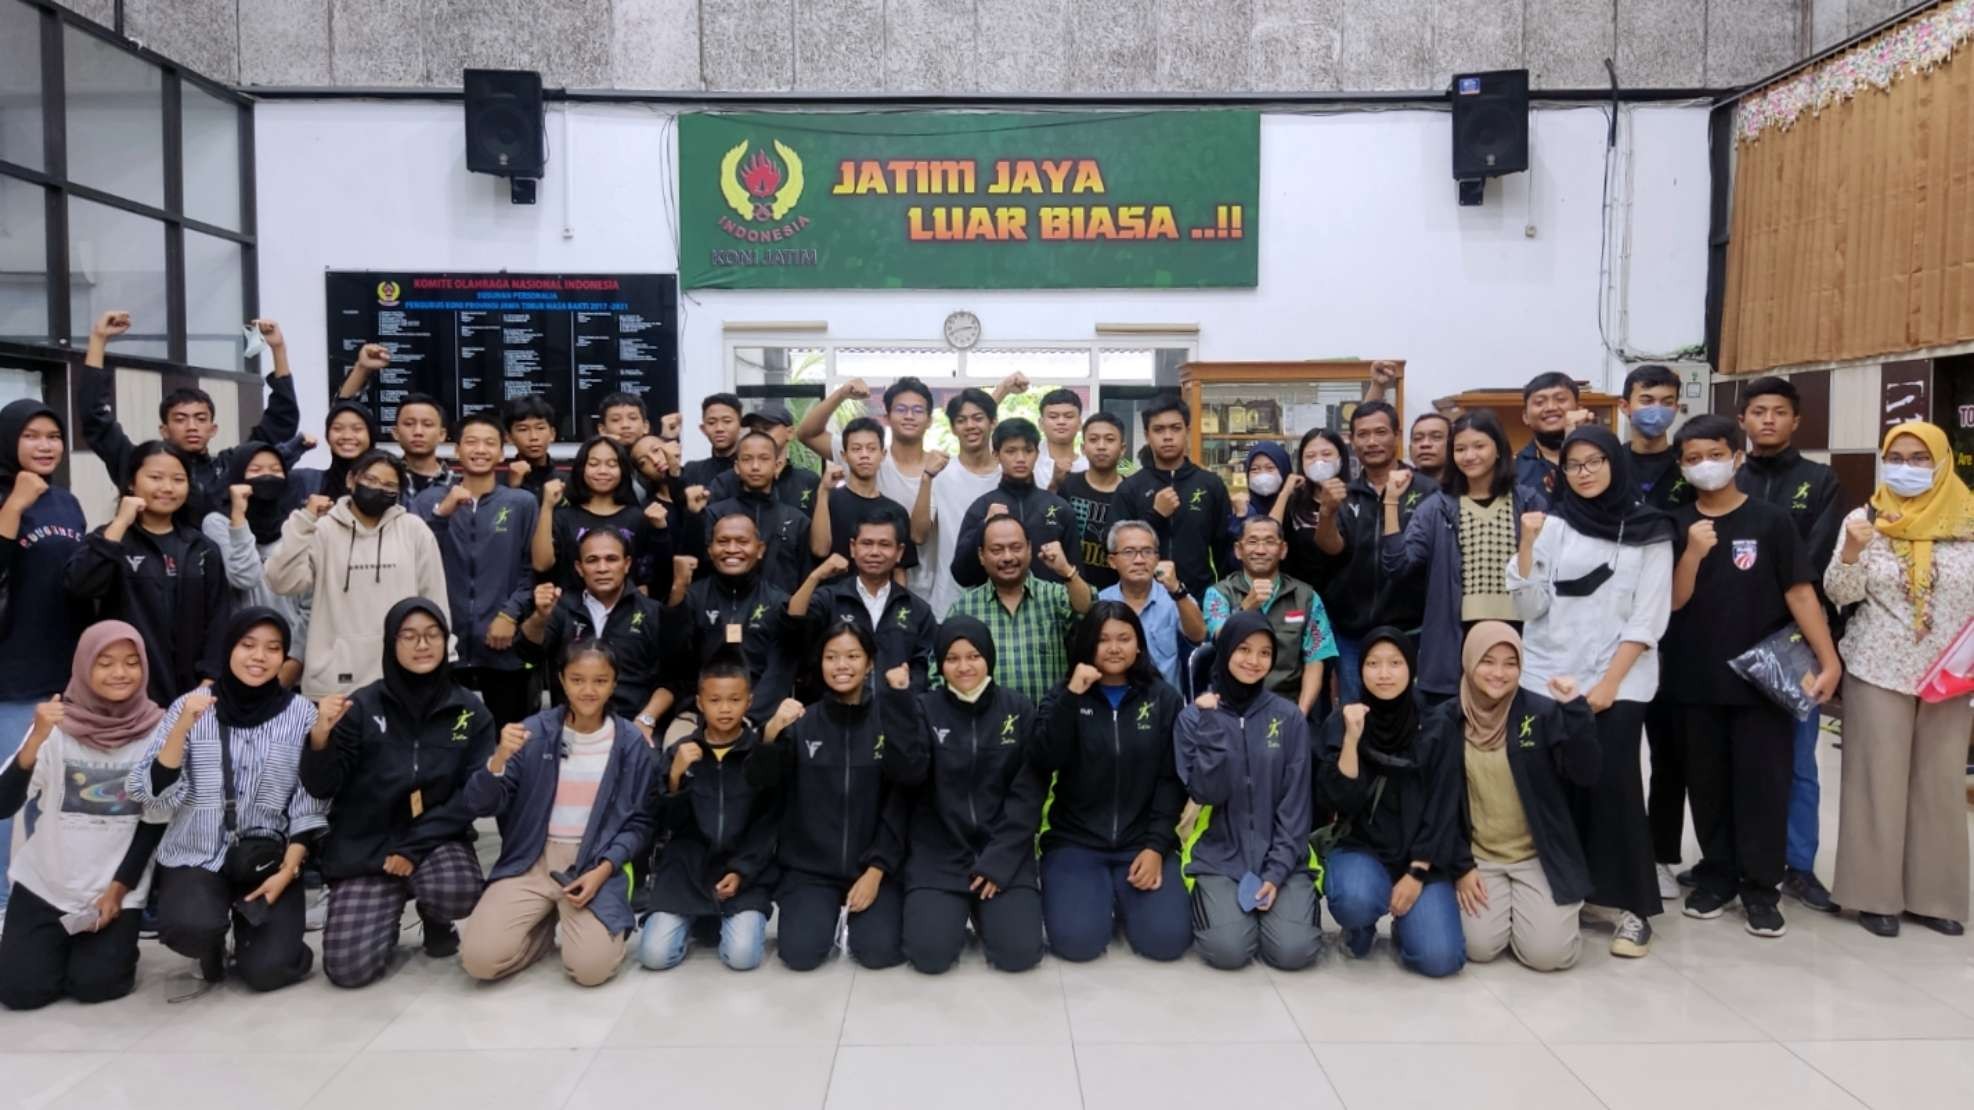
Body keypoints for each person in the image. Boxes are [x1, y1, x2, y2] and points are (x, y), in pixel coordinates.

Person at [1664, 414, 1841, 939]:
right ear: (1681, 465)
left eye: (1714, 455)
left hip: (1765, 683)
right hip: (1695, 679)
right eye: (1693, 459)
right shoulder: (1675, 525)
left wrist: (1828, 659)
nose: (1705, 466)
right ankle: (1716, 877)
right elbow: (1672, 602)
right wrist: (1694, 553)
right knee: (1709, 785)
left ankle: (1762, 889)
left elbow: (1801, 593)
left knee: (1764, 787)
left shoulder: (1771, 521)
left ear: (1737, 457)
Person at [1507, 425, 1673, 957]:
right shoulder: (1553, 526)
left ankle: (1633, 907)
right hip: (1547, 678)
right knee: (1555, 788)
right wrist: (1528, 542)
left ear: (1614, 464)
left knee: (1615, 787)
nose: (1584, 472)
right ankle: (1575, 890)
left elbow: (1648, 620)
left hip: (1618, 684)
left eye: (1595, 461)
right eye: (1575, 464)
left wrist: (1606, 686)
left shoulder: (1651, 530)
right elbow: (1528, 608)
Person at [1825, 421, 1974, 938]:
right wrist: (1849, 551)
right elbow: (1840, 593)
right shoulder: (1865, 518)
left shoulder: (1970, 520)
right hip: (1878, 667)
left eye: (1918, 458)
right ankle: (1874, 895)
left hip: (1952, 674)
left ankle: (1935, 897)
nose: (1906, 468)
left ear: (1941, 462)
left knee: (1939, 784)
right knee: (1876, 783)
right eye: (1897, 457)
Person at [300, 598, 495, 987]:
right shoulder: (361, 706)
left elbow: (472, 797)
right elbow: (322, 786)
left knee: (457, 890)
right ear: (391, 644)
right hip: (367, 845)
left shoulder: (470, 712)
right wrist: (320, 737)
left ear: (445, 641)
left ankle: (433, 915)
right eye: (408, 636)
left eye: (431, 635)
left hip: (436, 839)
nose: (421, 645)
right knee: (347, 970)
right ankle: (383, 913)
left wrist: (412, 848)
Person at [127, 609, 324, 991]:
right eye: (247, 645)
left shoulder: (300, 713)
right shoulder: (192, 705)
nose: (259, 657)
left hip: (266, 857)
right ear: (228, 649)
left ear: (285, 657)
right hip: (197, 851)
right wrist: (182, 728)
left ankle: (262, 940)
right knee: (190, 926)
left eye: (272, 648)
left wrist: (288, 871)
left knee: (270, 971)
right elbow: (147, 794)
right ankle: (213, 940)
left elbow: (310, 799)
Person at [459, 639, 657, 987]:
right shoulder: (533, 732)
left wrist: (604, 869)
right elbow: (480, 804)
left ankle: (600, 932)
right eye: (577, 679)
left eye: (600, 680)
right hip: (531, 859)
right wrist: (499, 759)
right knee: (479, 961)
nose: (588, 690)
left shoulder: (630, 743)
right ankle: (539, 930)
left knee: (590, 970)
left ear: (614, 683)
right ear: (562, 681)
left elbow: (640, 822)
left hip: (593, 862)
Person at [0, 623, 166, 1008]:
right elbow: (3, 804)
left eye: (130, 662)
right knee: (22, 992)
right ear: (83, 667)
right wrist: (36, 739)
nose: (120, 673)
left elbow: (154, 822)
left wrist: (118, 889)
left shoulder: (158, 732)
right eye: (105, 663)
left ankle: (104, 949)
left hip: (112, 892)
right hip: (46, 884)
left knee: (96, 986)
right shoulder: (55, 727)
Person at [1736, 376, 1844, 915]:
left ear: (1796, 420)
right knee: (1737, 756)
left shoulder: (1820, 481)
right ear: (1743, 421)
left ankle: (1799, 865)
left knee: (1800, 760)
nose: (1769, 420)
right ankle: (1737, 857)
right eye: (1759, 411)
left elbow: (1816, 560)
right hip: (1731, 636)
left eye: (1779, 411)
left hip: (1795, 638)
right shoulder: (1730, 476)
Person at [887, 615, 1046, 974]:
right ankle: (958, 904)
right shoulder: (924, 708)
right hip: (940, 854)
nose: (964, 667)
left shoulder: (1018, 709)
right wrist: (899, 702)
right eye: (952, 658)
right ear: (940, 664)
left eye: (973, 656)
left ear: (988, 656)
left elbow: (1028, 793)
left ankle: (985, 907)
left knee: (1019, 955)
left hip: (1003, 851)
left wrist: (999, 860)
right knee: (929, 956)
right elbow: (907, 773)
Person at [1033, 603, 1190, 961]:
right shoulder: (1064, 695)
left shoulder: (1164, 698)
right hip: (1076, 842)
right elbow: (1044, 758)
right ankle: (1095, 892)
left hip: (1141, 842)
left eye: (1124, 638)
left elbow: (1171, 780)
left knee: (1166, 943)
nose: (1114, 648)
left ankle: (1121, 893)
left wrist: (1155, 847)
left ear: (1139, 645)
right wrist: (1073, 696)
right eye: (1103, 639)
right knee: (1077, 945)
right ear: (1088, 645)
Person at [752, 622, 912, 970]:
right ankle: (824, 915)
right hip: (810, 868)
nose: (842, 666)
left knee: (879, 952)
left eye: (853, 656)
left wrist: (876, 869)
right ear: (819, 663)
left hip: (873, 865)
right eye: (832, 657)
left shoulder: (888, 719)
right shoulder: (801, 721)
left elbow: (902, 801)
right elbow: (762, 785)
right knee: (800, 955)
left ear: (869, 662)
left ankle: (859, 915)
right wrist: (770, 733)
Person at [1444, 623, 1600, 972]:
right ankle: (1519, 914)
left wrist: (1575, 710)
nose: (1499, 673)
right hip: (1480, 857)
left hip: (1537, 857)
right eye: (1488, 661)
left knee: (1548, 957)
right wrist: (1461, 866)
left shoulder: (1540, 713)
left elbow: (1586, 773)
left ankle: (1538, 916)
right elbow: (1440, 804)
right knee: (1478, 948)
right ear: (1468, 661)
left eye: (1510, 663)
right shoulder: (1449, 719)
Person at [1316, 628, 1465, 977]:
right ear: (1361, 669)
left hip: (1421, 857)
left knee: (1440, 959)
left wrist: (1416, 872)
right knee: (1354, 900)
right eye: (1373, 663)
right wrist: (1352, 739)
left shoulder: (1436, 725)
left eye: (1395, 663)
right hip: (1364, 848)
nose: (1384, 673)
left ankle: (1406, 924)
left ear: (1411, 667)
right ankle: (1360, 925)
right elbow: (1340, 800)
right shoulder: (1346, 719)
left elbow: (1444, 805)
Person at [1175, 612, 1320, 970]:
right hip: (1219, 855)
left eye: (1264, 653)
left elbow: (1296, 804)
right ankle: (1221, 907)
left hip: (1283, 855)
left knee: (1293, 952)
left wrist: (1275, 873)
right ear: (1224, 651)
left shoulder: (1288, 718)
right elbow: (1208, 792)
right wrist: (1212, 727)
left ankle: (1285, 900)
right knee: (1229, 951)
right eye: (1243, 649)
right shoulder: (1193, 719)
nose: (1253, 661)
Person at [1383, 411, 1545, 701]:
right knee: (1450, 730)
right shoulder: (1437, 507)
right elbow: (1398, 565)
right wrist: (1391, 501)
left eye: (1479, 446)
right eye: (1460, 449)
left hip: (1518, 632)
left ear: (1498, 449)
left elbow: (1548, 572)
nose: (1469, 455)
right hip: (1455, 636)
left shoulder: (1528, 501)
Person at [0, 400, 90, 920]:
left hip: (61, 675)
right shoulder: (7, 496)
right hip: (10, 677)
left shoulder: (66, 503)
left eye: (53, 435)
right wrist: (13, 506)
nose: (45, 445)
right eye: (32, 435)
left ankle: (38, 901)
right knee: (4, 797)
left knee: (50, 798)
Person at [78, 312, 301, 520]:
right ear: (163, 430)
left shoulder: (231, 467)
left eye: (201, 419)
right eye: (180, 419)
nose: (192, 426)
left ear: (213, 429)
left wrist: (278, 349)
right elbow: (95, 420)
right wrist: (98, 340)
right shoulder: (140, 465)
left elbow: (282, 421)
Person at [264, 449, 448, 698]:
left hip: (401, 680)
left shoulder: (414, 530)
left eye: (389, 485)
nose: (378, 489)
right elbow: (281, 581)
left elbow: (434, 599)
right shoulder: (321, 528)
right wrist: (304, 521)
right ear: (351, 480)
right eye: (371, 480)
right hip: (333, 683)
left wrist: (444, 654)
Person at [637, 654, 776, 972]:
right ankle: (698, 917)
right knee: (654, 956)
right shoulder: (682, 752)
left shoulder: (759, 755)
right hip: (685, 871)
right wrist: (675, 777)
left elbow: (769, 823)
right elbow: (663, 823)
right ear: (700, 703)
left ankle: (712, 919)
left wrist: (742, 870)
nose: (725, 709)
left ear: (749, 701)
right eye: (715, 700)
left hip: (742, 874)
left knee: (742, 957)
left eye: (734, 699)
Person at [65, 442, 232, 706]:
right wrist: (121, 522)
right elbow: (81, 585)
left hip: (193, 696)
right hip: (125, 693)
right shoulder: (109, 538)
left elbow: (220, 618)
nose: (167, 488)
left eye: (178, 479)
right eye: (155, 478)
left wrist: (210, 680)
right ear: (132, 482)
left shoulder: (202, 548)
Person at [1616, 364, 1692, 899]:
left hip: (1680, 626)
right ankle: (1619, 850)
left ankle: (1662, 853)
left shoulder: (1692, 463)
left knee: (1671, 752)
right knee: (1617, 749)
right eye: (1647, 397)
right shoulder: (1605, 462)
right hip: (1610, 624)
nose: (1656, 408)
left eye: (1667, 399)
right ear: (1625, 405)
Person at [412, 412, 540, 727]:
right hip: (444, 645)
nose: (480, 450)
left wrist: (510, 614)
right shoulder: (430, 500)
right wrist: (442, 514)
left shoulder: (521, 502)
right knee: (444, 742)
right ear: (456, 450)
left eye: (489, 443)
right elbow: (415, 561)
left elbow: (533, 568)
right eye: (471, 442)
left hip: (502, 645)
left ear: (502, 452)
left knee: (506, 739)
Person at [1329, 402, 1436, 703]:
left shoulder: (1427, 491)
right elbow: (1331, 550)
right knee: (1355, 715)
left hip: (1412, 630)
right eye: (1363, 434)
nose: (1372, 442)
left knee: (1412, 716)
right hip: (1353, 633)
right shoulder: (1345, 494)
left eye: (1380, 432)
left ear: (1397, 435)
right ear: (1352, 441)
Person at [797, 377, 941, 597]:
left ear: (929, 419)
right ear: (887, 417)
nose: (909, 416)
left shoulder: (938, 468)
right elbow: (807, 434)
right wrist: (841, 393)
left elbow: (919, 535)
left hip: (917, 587)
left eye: (918, 410)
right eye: (901, 409)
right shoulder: (865, 452)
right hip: (840, 596)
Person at [520, 529, 670, 737]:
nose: (602, 568)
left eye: (611, 559)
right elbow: (527, 654)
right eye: (592, 560)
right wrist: (540, 617)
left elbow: (672, 680)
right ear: (579, 568)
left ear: (626, 564)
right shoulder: (561, 607)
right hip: (569, 724)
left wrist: (645, 720)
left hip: (632, 724)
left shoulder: (652, 612)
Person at [665, 512, 799, 730]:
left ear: (760, 550)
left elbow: (779, 672)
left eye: (743, 542)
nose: (732, 549)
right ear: (710, 550)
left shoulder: (778, 602)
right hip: (700, 713)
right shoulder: (694, 597)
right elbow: (674, 657)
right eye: (723, 542)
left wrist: (749, 717)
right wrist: (678, 588)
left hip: (760, 717)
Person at [946, 515, 1094, 707]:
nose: (1008, 557)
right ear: (982, 556)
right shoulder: (964, 609)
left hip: (1048, 724)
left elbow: (1089, 610)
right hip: (987, 728)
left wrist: (1066, 571)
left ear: (1030, 549)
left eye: (1016, 548)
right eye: (997, 550)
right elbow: (939, 671)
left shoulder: (1055, 596)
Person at [1203, 516, 1338, 720]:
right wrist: (1246, 607)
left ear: (1283, 550)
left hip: (1287, 705)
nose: (1260, 550)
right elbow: (1221, 640)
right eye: (1252, 542)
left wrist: (1300, 715)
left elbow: (1315, 660)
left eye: (1269, 541)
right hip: (1231, 707)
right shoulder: (1219, 594)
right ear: (1238, 550)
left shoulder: (1306, 597)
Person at [787, 517, 938, 694]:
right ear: (852, 548)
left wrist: (908, 684)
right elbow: (792, 623)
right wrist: (815, 576)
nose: (874, 552)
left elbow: (925, 668)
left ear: (899, 552)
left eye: (884, 544)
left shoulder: (917, 610)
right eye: (866, 543)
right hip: (835, 712)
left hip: (895, 714)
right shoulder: (830, 598)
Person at [204, 442, 311, 690]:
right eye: (256, 469)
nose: (267, 476)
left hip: (289, 661)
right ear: (239, 475)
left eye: (275, 469)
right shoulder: (219, 522)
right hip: (239, 658)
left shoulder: (296, 525)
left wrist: (294, 660)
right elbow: (245, 577)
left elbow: (308, 603)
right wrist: (239, 518)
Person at [1117, 395, 1232, 598]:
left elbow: (1224, 550)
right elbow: (1117, 545)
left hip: (1198, 596)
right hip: (1141, 599)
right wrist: (1156, 514)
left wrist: (1224, 597)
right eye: (1159, 429)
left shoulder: (1210, 484)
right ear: (1147, 435)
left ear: (1187, 431)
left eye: (1175, 428)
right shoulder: (1131, 487)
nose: (1168, 436)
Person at [950, 418, 1081, 590]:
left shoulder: (1059, 507)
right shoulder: (983, 507)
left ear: (1037, 454)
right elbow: (961, 575)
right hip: (994, 611)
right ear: (996, 455)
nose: (1020, 458)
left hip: (1050, 611)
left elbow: (1078, 575)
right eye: (1011, 451)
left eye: (1028, 451)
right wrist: (984, 526)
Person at [534, 435, 667, 595]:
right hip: (573, 612)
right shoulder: (563, 517)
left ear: (623, 470)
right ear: (581, 468)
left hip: (625, 613)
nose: (602, 471)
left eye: (612, 464)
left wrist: (661, 529)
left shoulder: (638, 517)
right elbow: (541, 565)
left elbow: (654, 577)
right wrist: (547, 506)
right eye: (594, 464)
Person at [916, 388, 1004, 615]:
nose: (970, 426)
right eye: (961, 420)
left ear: (993, 422)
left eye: (978, 418)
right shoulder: (940, 473)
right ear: (954, 428)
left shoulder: (1008, 475)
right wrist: (926, 479)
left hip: (1002, 598)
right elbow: (918, 534)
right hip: (948, 601)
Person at [1098, 520, 1205, 692]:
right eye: (1129, 552)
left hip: (1165, 705)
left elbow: (1198, 635)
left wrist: (1177, 590)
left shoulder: (1175, 596)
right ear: (1112, 560)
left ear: (1157, 558)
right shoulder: (1100, 602)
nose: (1139, 560)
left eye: (1147, 552)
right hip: (1116, 704)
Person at [703, 430, 812, 595]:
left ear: (777, 466)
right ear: (737, 467)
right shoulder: (716, 514)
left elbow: (805, 577)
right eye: (747, 459)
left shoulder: (797, 520)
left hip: (781, 612)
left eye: (764, 459)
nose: (755, 466)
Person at [810, 416, 918, 575]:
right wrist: (823, 491)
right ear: (844, 455)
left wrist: (898, 600)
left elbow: (899, 572)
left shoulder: (896, 512)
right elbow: (819, 550)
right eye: (856, 449)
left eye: (871, 448)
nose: (864, 455)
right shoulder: (827, 499)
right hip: (832, 596)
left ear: (883, 454)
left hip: (879, 597)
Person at [709, 404, 822, 517]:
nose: (760, 435)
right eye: (754, 430)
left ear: (790, 433)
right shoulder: (725, 482)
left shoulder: (808, 481)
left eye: (767, 428)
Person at [1060, 411, 1127, 590]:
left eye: (1110, 439)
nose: (1101, 446)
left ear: (1122, 449)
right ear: (1083, 448)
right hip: (1071, 589)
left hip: (1118, 593)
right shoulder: (1067, 485)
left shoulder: (1132, 492)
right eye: (1094, 439)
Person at [1281, 428, 1349, 593]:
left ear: (1341, 458)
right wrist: (1285, 493)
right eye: (1310, 456)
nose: (1319, 461)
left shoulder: (1355, 498)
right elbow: (1273, 536)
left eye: (1326, 454)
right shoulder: (1293, 503)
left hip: (1347, 598)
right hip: (1302, 598)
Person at [288, 400, 380, 508]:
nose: (347, 436)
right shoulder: (305, 481)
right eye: (337, 428)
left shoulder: (387, 484)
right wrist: (293, 448)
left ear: (371, 435)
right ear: (327, 436)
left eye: (357, 429)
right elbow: (268, 476)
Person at [1515, 372, 1589, 497]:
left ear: (1578, 409)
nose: (1551, 407)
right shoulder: (1514, 469)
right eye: (1539, 402)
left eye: (1560, 399)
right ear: (1525, 416)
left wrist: (1573, 433)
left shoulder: (1598, 461)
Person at [392, 392, 456, 502]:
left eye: (427, 424)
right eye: (409, 424)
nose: (418, 432)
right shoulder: (385, 478)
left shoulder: (457, 482)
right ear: (395, 433)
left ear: (442, 435)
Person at [1226, 441, 1292, 544]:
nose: (1263, 475)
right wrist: (1241, 517)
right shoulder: (1242, 507)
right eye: (1255, 469)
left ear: (1283, 470)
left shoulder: (1297, 508)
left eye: (1270, 468)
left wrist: (1285, 493)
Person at [678, 392, 745, 491]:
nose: (719, 428)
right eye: (711, 422)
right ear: (703, 428)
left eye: (727, 421)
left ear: (741, 425)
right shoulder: (693, 470)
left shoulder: (751, 468)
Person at [502, 396, 562, 499]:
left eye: (540, 428)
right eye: (523, 429)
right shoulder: (498, 483)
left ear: (552, 434)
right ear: (509, 437)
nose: (533, 437)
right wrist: (512, 488)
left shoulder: (569, 481)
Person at [1032, 387, 1089, 491]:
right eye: (1053, 417)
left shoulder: (1089, 466)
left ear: (1080, 423)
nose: (1061, 421)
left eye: (1069, 416)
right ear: (1041, 423)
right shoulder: (1028, 462)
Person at [1410, 412, 1452, 487]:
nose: (1425, 444)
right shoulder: (1399, 487)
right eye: (1418, 438)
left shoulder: (1468, 487)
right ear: (1410, 449)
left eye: (1436, 437)